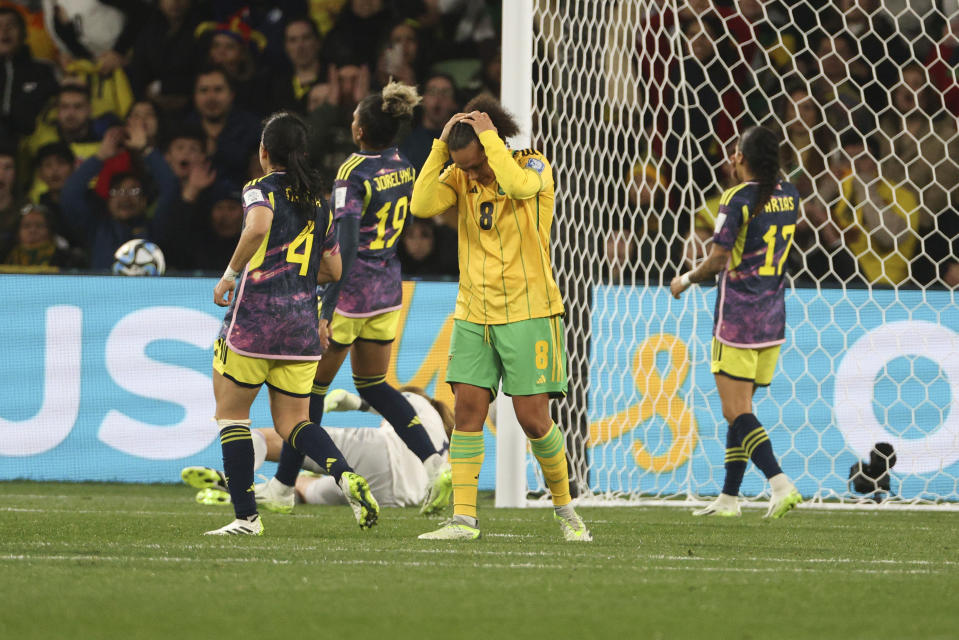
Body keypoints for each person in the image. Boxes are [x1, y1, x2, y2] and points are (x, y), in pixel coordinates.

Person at [259, 81, 452, 517]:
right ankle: (436, 461)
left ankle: (284, 486)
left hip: (352, 294)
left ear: (362, 131)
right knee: (374, 385)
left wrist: (326, 305)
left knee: (310, 390)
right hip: (388, 289)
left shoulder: (352, 172)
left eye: (353, 121)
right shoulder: (403, 163)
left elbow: (344, 247)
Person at [409, 96, 591, 542]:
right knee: (467, 410)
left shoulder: (532, 165)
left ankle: (566, 510)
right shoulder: (459, 174)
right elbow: (420, 205)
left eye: (474, 165)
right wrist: (440, 149)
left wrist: (490, 141)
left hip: (529, 312)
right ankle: (464, 520)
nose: (470, 175)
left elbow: (519, 188)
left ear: (493, 144)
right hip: (474, 312)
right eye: (463, 167)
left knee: (532, 419)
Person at [205, 111, 379, 536]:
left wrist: (231, 273)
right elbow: (334, 269)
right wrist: (294, 276)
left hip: (253, 325)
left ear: (264, 153)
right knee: (295, 423)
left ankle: (246, 517)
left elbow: (259, 224)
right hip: (301, 330)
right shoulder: (318, 203)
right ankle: (343, 473)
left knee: (232, 417)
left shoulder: (259, 190)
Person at [670, 125, 802, 519]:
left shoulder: (737, 199)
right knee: (741, 407)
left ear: (741, 158)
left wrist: (685, 279)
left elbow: (716, 262)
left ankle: (780, 484)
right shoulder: (791, 195)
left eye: (734, 151)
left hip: (737, 320)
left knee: (735, 411)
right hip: (772, 318)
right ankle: (729, 499)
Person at [182, 386, 452, 510]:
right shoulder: (443, 442)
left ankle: (238, 486)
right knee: (304, 488)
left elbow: (385, 404)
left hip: (384, 452)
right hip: (401, 498)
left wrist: (351, 402)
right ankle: (250, 493)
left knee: (274, 437)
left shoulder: (416, 400)